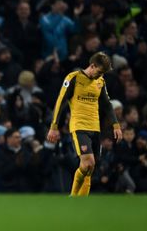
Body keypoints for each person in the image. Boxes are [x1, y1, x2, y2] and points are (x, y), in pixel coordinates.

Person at [47, 52, 122, 196]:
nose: (100, 76)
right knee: (88, 162)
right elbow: (60, 102)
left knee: (90, 168)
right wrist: (54, 127)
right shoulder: (73, 78)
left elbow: (107, 105)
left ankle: (81, 201)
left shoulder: (100, 82)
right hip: (79, 126)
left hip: (95, 127)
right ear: (92, 66)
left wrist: (116, 125)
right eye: (99, 72)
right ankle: (73, 197)